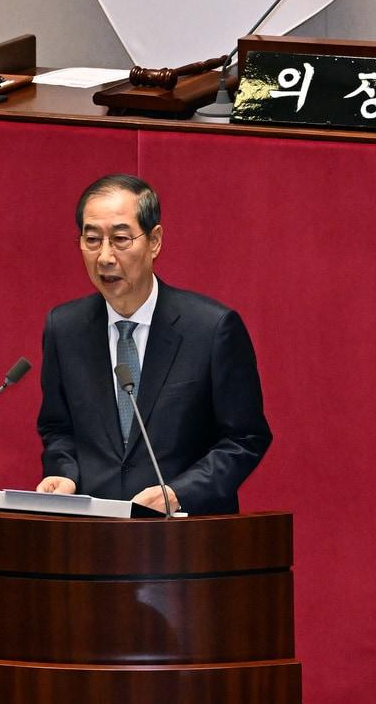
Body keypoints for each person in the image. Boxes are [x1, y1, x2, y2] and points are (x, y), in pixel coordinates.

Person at [35, 174, 272, 515]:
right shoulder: (64, 327)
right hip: (93, 531)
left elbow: (245, 438)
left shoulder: (212, 328)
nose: (105, 257)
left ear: (155, 241)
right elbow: (58, 428)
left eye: (120, 239)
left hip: (185, 531)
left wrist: (177, 493)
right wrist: (63, 472)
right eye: (92, 240)